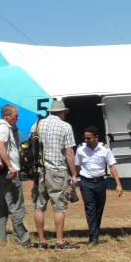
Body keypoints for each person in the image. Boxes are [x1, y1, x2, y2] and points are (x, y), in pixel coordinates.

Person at [31, 98, 78, 249]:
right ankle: (59, 241)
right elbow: (69, 152)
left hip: (40, 171)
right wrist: (74, 173)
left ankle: (42, 241)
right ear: (62, 112)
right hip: (58, 171)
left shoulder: (37, 125)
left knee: (39, 207)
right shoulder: (65, 127)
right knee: (59, 207)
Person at [74, 126, 123, 245]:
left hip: (100, 182)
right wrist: (73, 180)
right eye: (85, 138)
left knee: (99, 210)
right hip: (86, 182)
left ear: (96, 138)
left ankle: (94, 233)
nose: (86, 141)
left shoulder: (105, 149)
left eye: (89, 138)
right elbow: (77, 166)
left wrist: (118, 184)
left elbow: (112, 166)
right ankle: (94, 237)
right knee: (90, 209)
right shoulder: (80, 150)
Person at [0, 103, 31, 246]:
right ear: (7, 116)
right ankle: (23, 239)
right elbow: (0, 145)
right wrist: (10, 166)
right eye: (15, 116)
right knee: (16, 206)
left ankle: (1, 237)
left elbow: (14, 144)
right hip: (9, 172)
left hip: (0, 172)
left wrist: (14, 129)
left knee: (2, 206)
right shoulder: (3, 128)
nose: (18, 118)